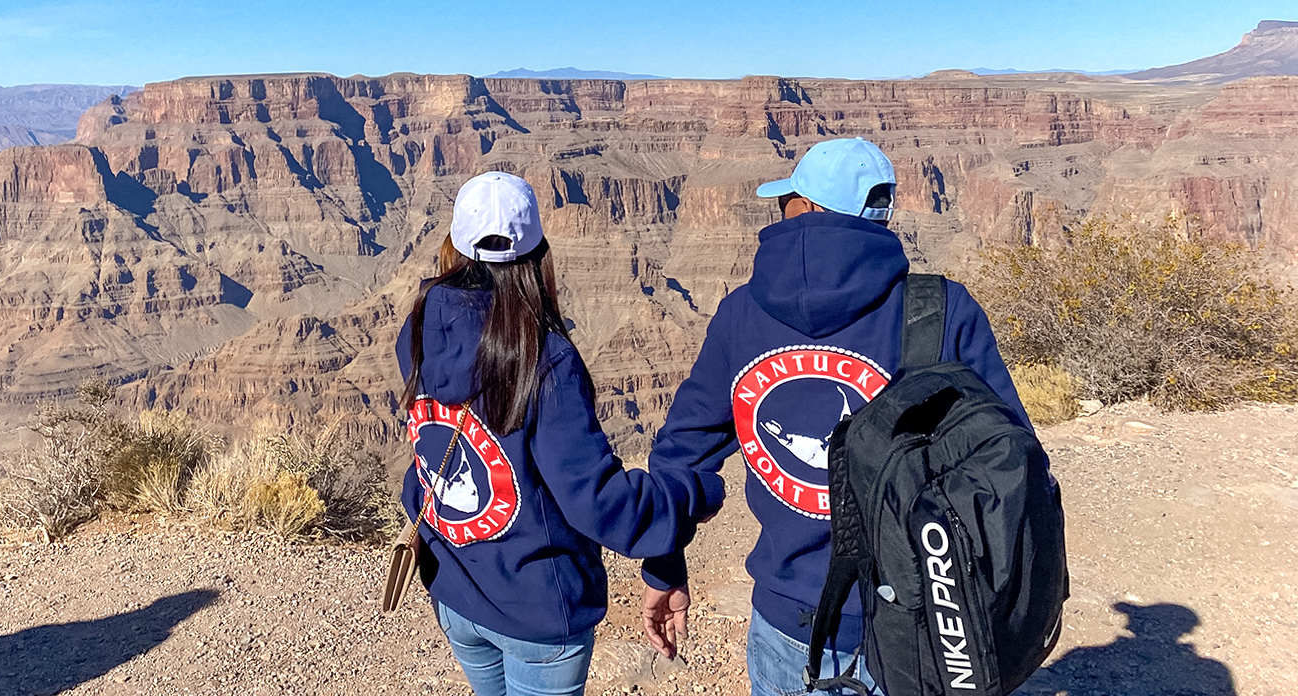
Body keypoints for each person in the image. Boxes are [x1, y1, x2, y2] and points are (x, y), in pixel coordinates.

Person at [636, 137, 1032, 696]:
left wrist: (664, 564)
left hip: (789, 622)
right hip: (925, 623)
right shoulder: (942, 310)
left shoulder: (741, 315)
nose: (782, 211)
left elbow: (681, 453)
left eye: (787, 201)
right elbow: (1012, 461)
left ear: (808, 208)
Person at [400, 171, 723, 696]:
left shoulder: (420, 325)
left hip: (455, 587)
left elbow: (427, 438)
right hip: (537, 614)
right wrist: (688, 494)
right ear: (538, 255)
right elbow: (597, 501)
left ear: (453, 244)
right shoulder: (545, 360)